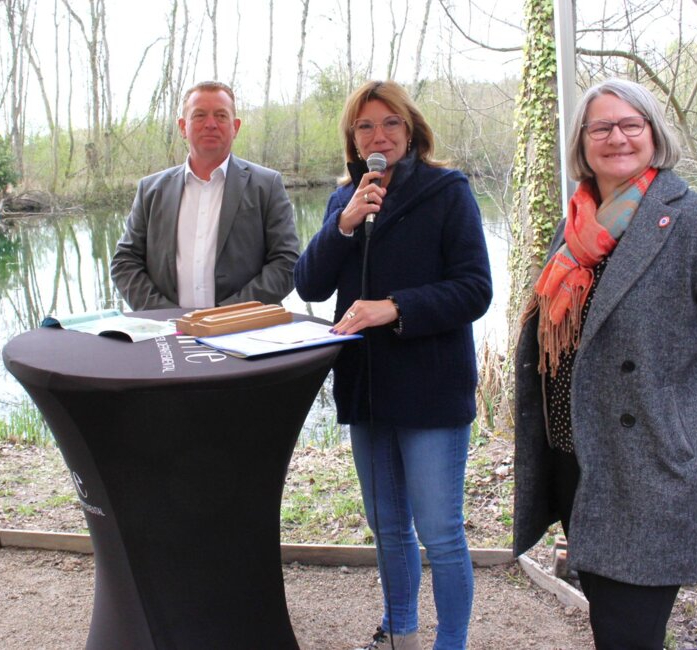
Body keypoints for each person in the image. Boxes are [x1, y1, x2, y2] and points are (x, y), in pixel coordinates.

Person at [513, 78, 697, 649]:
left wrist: (693, 433)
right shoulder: (578, 226)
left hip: (647, 473)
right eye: (601, 127)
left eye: (630, 124)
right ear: (582, 143)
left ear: (654, 135)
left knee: (625, 633)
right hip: (579, 464)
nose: (616, 137)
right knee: (612, 622)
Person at [294, 80, 492, 650]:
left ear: (411, 131)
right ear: (353, 142)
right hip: (368, 389)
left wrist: (395, 308)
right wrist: (345, 223)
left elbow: (475, 290)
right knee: (387, 530)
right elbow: (308, 283)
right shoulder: (346, 199)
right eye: (365, 127)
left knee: (441, 533)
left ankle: (449, 642)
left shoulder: (448, 191)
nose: (378, 135)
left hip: (431, 388)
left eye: (390, 124)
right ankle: (401, 634)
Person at [111, 80, 299, 310]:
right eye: (199, 115)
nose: (210, 124)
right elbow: (124, 263)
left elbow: (287, 263)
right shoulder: (151, 190)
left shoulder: (267, 186)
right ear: (182, 126)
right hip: (168, 332)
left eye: (221, 116)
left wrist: (227, 316)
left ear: (235, 127)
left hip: (245, 334)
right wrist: (164, 316)